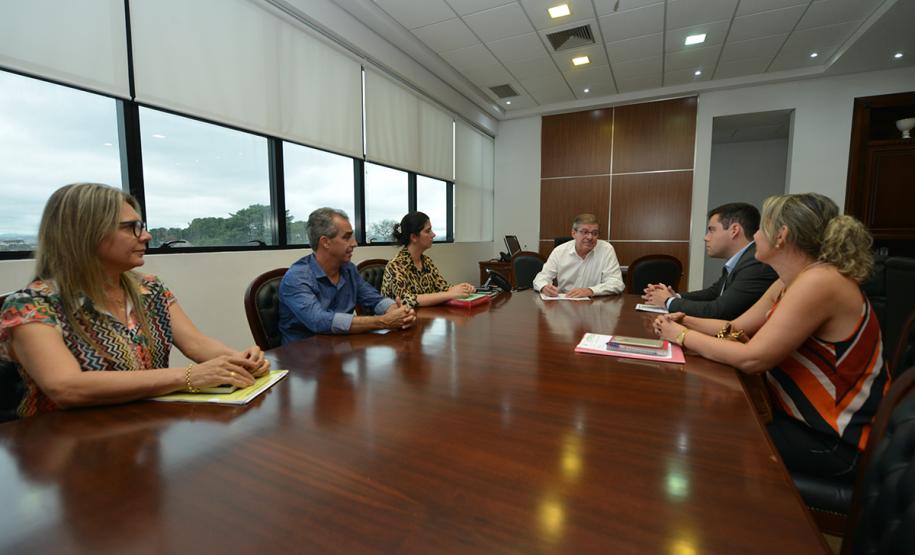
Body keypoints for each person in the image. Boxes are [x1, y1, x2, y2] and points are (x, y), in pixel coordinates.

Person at [653, 193, 889, 483]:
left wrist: (682, 335)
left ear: (782, 235)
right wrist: (685, 320)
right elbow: (737, 329)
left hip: (836, 441)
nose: (754, 236)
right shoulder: (790, 280)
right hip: (799, 422)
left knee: (705, 441)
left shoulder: (820, 281)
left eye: (760, 228)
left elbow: (753, 358)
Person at [0, 183, 270, 418]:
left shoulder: (149, 289)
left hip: (143, 426)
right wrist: (188, 376)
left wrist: (240, 361)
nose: (146, 236)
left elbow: (196, 344)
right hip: (63, 445)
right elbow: (66, 387)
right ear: (85, 233)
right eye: (132, 228)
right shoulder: (32, 305)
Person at [278, 207, 415, 343]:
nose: (354, 243)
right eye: (347, 237)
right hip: (302, 357)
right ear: (325, 242)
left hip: (340, 349)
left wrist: (398, 311)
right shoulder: (297, 277)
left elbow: (373, 298)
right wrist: (383, 321)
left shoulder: (348, 269)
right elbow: (318, 321)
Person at [642, 202, 777, 319]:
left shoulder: (756, 263)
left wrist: (668, 301)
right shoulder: (744, 259)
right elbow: (714, 293)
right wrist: (676, 296)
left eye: (711, 230)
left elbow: (719, 311)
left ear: (734, 230)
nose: (706, 237)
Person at [381, 211, 475, 307]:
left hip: (426, 318)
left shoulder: (426, 261)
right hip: (402, 320)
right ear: (413, 237)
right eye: (427, 231)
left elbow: (443, 288)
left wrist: (462, 288)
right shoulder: (395, 265)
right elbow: (406, 300)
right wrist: (450, 294)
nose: (433, 234)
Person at [533, 213, 624, 298]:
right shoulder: (559, 251)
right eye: (585, 232)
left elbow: (617, 283)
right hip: (565, 303)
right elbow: (541, 278)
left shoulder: (606, 250)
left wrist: (590, 290)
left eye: (594, 233)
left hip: (594, 305)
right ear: (573, 233)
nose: (590, 237)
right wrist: (544, 287)